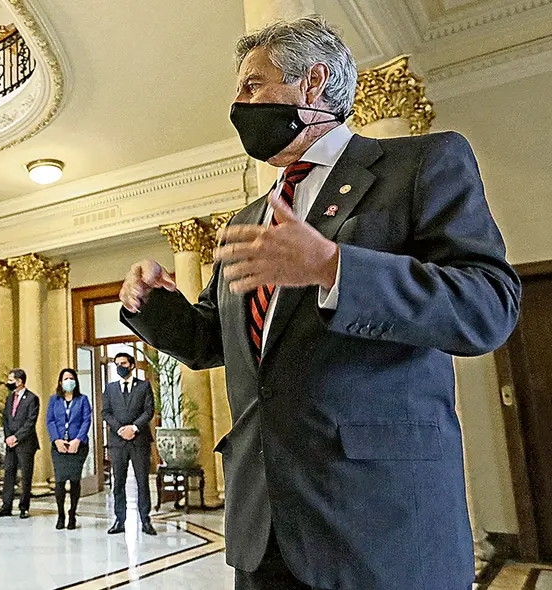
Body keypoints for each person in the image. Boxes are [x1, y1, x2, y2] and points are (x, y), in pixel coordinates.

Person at [119, 16, 520, 590]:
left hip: (379, 523)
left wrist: (335, 268)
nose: (239, 104)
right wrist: (154, 306)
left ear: (313, 83)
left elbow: (488, 306)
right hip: (264, 522)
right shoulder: (248, 219)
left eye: (252, 85)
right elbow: (218, 343)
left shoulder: (419, 166)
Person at [101, 352, 157, 536]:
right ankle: (119, 519)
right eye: (117, 364)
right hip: (118, 442)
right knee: (118, 482)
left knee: (142, 481)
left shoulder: (144, 386)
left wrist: (134, 427)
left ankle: (145, 520)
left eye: (123, 363)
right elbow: (106, 412)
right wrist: (120, 429)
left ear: (132, 365)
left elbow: (149, 410)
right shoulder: (110, 388)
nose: (120, 367)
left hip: (139, 440)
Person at [46, 368, 92, 530]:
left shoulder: (83, 400)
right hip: (59, 446)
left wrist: (77, 440)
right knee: (59, 482)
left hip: (78, 447)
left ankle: (72, 513)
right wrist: (56, 440)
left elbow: (86, 421)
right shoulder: (54, 400)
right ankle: (60, 514)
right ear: (60, 382)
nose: (68, 381)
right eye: (65, 379)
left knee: (74, 480)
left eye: (71, 378)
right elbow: (50, 421)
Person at [0, 369, 40, 519]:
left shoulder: (32, 398)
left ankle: (24, 507)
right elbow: (5, 419)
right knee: (9, 473)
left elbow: (30, 422)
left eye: (12, 380)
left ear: (20, 381)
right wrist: (7, 437)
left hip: (25, 443)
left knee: (25, 475)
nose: (9, 383)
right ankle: (6, 506)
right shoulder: (10, 397)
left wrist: (16, 437)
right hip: (10, 442)